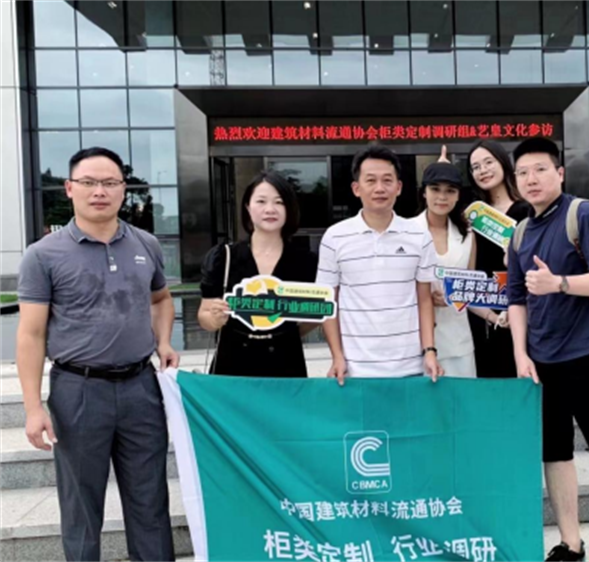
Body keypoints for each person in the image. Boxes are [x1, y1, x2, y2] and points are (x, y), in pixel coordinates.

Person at [16, 147, 178, 562]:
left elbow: (161, 299)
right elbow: (31, 334)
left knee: (150, 500)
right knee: (81, 507)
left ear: (124, 189)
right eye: (88, 182)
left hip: (141, 389)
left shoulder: (145, 244)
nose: (99, 191)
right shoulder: (43, 254)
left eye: (110, 183)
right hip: (79, 390)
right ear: (70, 188)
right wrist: (33, 408)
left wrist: (163, 341)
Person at [507, 137, 589, 562]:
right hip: (542, 363)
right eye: (523, 172)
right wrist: (520, 354)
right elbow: (515, 299)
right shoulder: (520, 232)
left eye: (540, 169)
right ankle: (571, 545)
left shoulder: (582, 214)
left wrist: (559, 283)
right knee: (555, 455)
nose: (531, 179)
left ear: (559, 173)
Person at [316, 144, 443, 383]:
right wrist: (337, 356)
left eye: (387, 180)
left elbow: (425, 299)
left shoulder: (419, 235)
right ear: (356, 188)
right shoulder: (334, 237)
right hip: (355, 368)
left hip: (410, 366)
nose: (380, 188)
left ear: (399, 187)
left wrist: (429, 351)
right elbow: (328, 302)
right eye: (371, 180)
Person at [198, 171, 318, 377]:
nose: (270, 209)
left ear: (289, 208)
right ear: (248, 207)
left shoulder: (306, 261)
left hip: (286, 364)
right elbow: (204, 315)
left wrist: (280, 332)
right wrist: (215, 320)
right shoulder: (224, 257)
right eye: (261, 201)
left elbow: (316, 313)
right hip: (232, 365)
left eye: (279, 202)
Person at [412, 160, 504, 378]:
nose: (442, 197)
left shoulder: (467, 235)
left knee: (460, 399)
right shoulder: (407, 231)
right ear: (424, 192)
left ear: (458, 195)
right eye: (435, 189)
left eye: (450, 191)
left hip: (458, 343)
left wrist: (495, 318)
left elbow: (469, 291)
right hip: (416, 344)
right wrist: (423, 296)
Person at [464, 140, 531, 378]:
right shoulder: (473, 213)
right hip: (482, 310)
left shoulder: (527, 210)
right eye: (476, 167)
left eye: (488, 162)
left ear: (503, 162)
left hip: (521, 307)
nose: (483, 170)